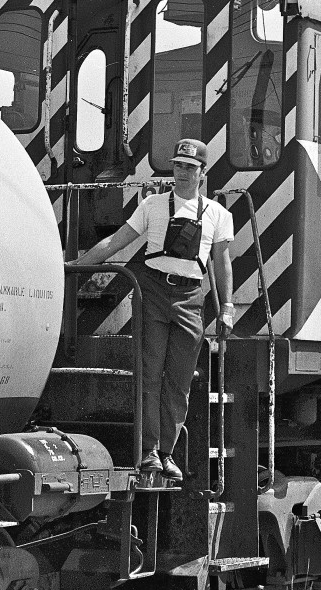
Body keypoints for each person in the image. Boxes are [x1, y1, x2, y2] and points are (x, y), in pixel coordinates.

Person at [73, 139, 234, 483]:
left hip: (191, 298)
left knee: (179, 381)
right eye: (178, 165)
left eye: (190, 167)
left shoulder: (218, 214)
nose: (182, 172)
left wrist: (227, 309)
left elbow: (222, 263)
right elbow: (116, 241)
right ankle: (148, 452)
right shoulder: (153, 205)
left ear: (203, 172)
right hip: (153, 292)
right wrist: (76, 266)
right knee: (149, 373)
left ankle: (167, 453)